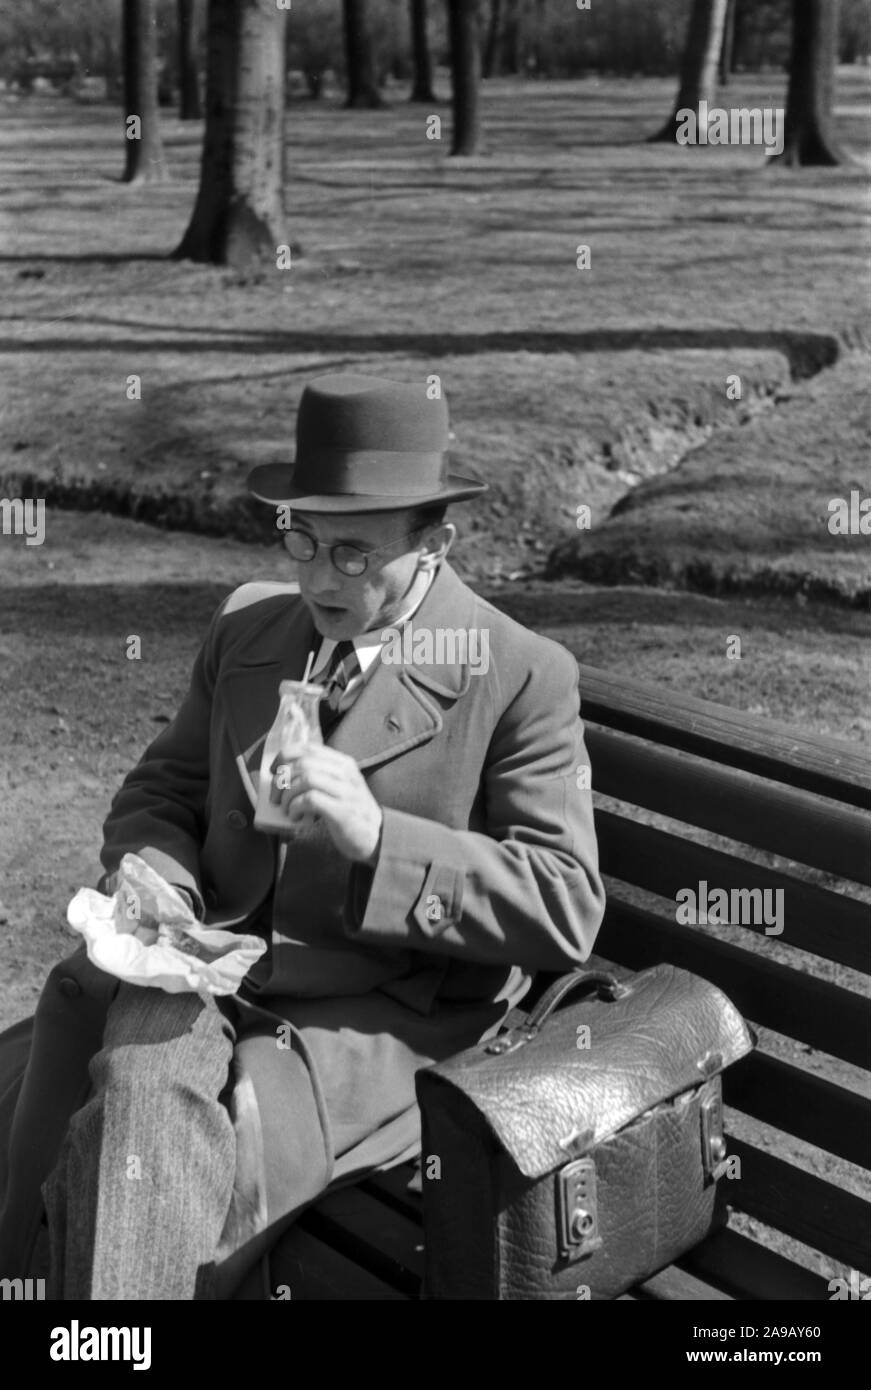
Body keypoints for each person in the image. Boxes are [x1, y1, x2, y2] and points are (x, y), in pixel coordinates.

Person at [0, 373, 605, 1300]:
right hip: (212, 969)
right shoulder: (251, 624)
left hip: (372, 1019)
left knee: (133, 1115)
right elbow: (163, 786)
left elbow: (564, 908)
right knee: (110, 1060)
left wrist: (378, 840)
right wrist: (167, 890)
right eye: (301, 539)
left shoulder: (517, 674)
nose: (320, 577)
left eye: (356, 555)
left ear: (434, 546)